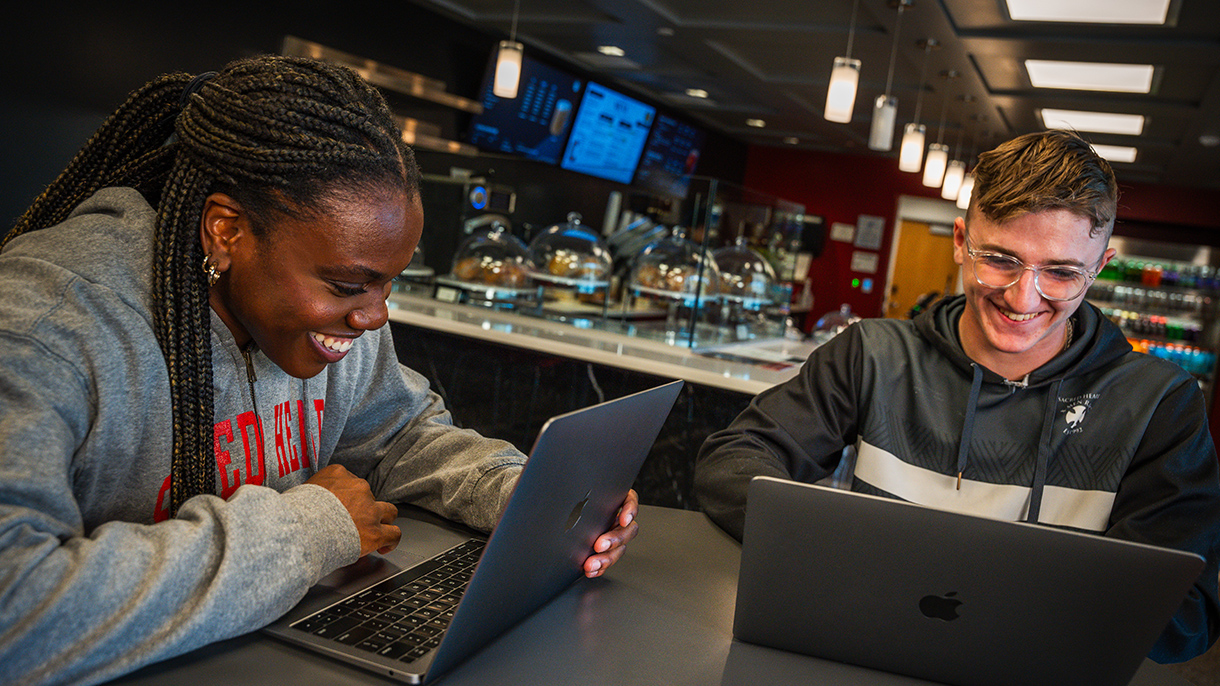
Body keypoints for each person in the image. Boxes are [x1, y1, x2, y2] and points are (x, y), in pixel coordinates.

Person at [0, 55, 638, 685]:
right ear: (226, 231)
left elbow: (402, 434)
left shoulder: (335, 322)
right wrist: (310, 531)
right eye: (346, 284)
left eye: (387, 285)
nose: (374, 317)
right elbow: (14, 613)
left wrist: (521, 497)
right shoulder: (46, 321)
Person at [695, 129, 1220, 663]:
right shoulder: (873, 355)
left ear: (1098, 268)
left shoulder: (1158, 404)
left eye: (1061, 273)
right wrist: (847, 560)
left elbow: (1187, 615)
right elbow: (732, 463)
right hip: (861, 653)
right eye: (1000, 259)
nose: (1023, 297)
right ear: (960, 240)